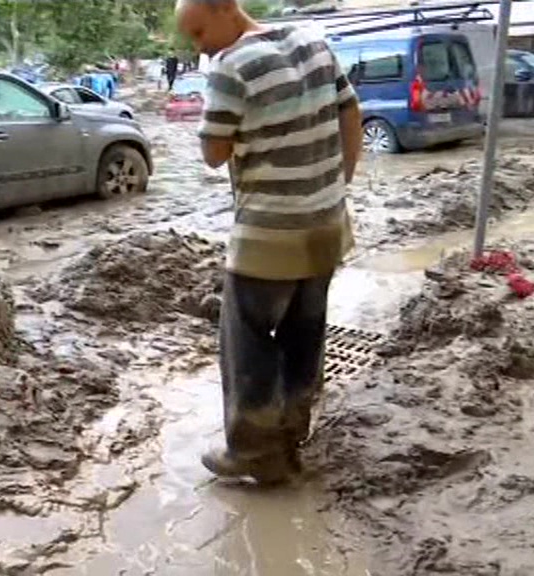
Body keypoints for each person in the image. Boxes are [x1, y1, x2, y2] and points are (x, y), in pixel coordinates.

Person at [177, 0, 362, 483]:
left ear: (223, 9)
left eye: (198, 33)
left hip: (268, 235)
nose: (199, 45)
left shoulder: (230, 67)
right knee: (306, 332)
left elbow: (214, 154)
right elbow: (351, 112)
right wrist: (338, 188)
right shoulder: (312, 40)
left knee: (247, 342)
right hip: (326, 226)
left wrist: (210, 88)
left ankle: (257, 453)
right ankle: (293, 432)